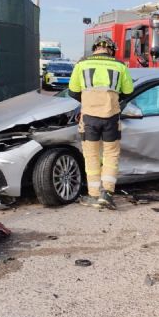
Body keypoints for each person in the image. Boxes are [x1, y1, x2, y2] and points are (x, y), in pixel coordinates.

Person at [68, 36, 133, 210]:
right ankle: (107, 193)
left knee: (91, 156)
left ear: (95, 48)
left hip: (89, 117)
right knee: (111, 155)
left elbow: (73, 92)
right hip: (111, 117)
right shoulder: (120, 66)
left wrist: (89, 100)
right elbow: (128, 91)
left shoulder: (81, 65)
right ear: (111, 49)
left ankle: (94, 196)